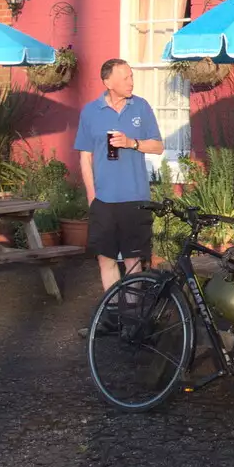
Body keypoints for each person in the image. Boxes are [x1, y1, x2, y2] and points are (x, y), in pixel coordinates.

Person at [74, 58, 163, 293]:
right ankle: (112, 315)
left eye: (131, 76)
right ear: (108, 82)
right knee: (106, 259)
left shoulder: (141, 107)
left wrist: (131, 143)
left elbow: (157, 146)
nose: (131, 82)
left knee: (134, 262)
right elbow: (85, 157)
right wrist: (92, 197)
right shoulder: (91, 112)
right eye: (125, 78)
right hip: (103, 201)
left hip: (135, 199)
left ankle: (134, 318)